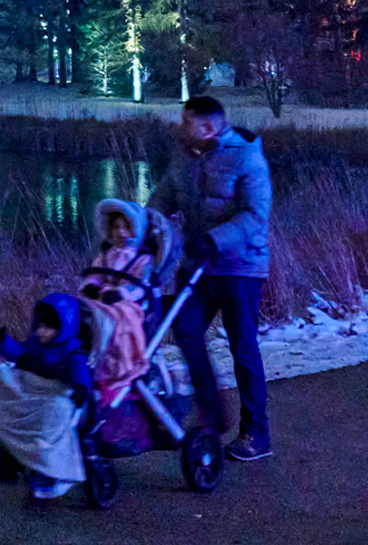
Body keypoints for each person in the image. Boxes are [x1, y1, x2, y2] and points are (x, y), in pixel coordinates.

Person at [150, 95, 274, 462]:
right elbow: (163, 198)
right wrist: (140, 228)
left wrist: (214, 240)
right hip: (196, 266)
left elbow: (255, 215)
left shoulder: (246, 157)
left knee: (243, 348)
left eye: (186, 122)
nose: (180, 127)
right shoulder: (183, 155)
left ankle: (256, 433)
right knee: (185, 329)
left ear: (208, 127)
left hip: (241, 267)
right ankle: (211, 412)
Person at [0, 294, 91, 499]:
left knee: (53, 416)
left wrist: (81, 388)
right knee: (6, 386)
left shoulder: (71, 350)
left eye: (48, 328)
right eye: (40, 326)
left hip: (56, 394)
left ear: (63, 327)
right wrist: (3, 342)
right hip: (35, 392)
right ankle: (9, 465)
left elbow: (81, 373)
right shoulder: (36, 344)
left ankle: (49, 471)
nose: (42, 332)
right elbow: (18, 352)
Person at [80, 200, 161, 403]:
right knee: (84, 312)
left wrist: (122, 293)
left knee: (118, 319)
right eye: (116, 227)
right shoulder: (106, 256)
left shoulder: (142, 260)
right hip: (104, 299)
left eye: (127, 227)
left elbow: (140, 284)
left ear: (137, 230)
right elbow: (95, 275)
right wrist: (90, 286)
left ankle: (121, 366)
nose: (120, 232)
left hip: (131, 305)